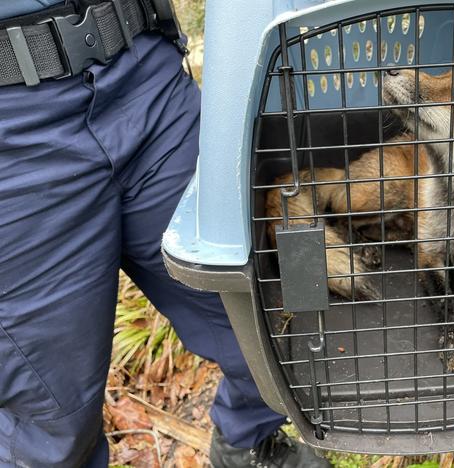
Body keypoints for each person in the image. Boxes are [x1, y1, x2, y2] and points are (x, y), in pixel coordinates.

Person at [0, 1, 329, 466]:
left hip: (142, 71)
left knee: (273, 314)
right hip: (12, 140)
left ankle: (246, 441)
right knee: (54, 419)